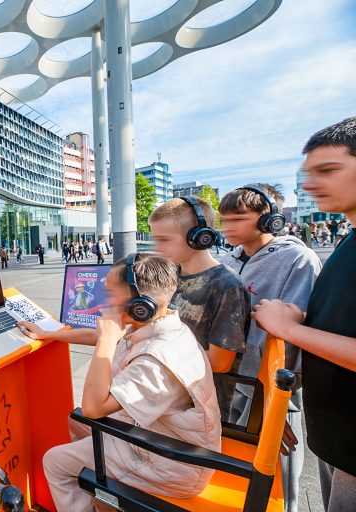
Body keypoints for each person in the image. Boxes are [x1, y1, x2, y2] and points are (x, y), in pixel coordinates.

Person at [19, 196, 250, 412]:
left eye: (164, 240)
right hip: (150, 396)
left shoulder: (226, 287)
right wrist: (50, 334)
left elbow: (220, 364)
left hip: (191, 410)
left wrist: (147, 364)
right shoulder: (169, 277)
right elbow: (115, 332)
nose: (157, 249)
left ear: (199, 237)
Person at [42, 253, 221, 510]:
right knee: (74, 420)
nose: (105, 303)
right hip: (160, 438)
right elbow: (97, 335)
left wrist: (106, 341)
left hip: (171, 466)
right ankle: (100, 493)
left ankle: (98, 494)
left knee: (55, 461)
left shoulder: (157, 360)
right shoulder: (160, 322)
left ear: (140, 304)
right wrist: (48, 334)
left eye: (111, 295)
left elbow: (93, 408)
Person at [253, 117, 356, 512]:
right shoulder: (348, 242)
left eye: (328, 171)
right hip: (336, 443)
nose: (311, 185)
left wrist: (288, 329)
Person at [219, 183, 320, 512]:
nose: (227, 227)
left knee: (276, 479)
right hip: (229, 379)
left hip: (272, 387)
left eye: (238, 218)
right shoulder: (226, 261)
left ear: (270, 220)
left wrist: (277, 407)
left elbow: (295, 336)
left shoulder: (297, 260)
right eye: (224, 219)